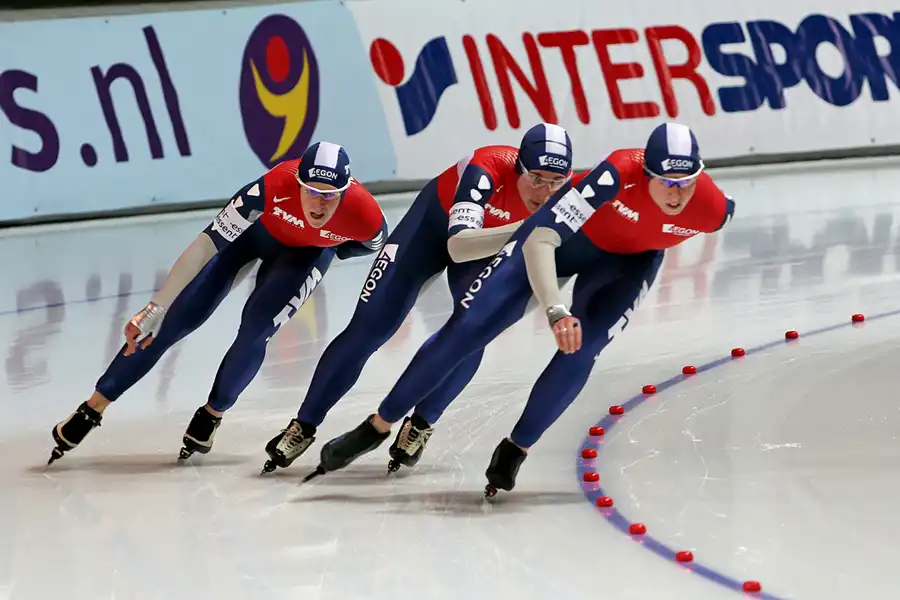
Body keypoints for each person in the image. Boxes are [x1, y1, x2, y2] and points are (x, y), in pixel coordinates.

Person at [307, 122, 736, 496]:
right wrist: (554, 309)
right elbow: (542, 238)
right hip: (556, 245)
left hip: (630, 265)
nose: (677, 195)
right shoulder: (613, 175)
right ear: (645, 174)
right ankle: (377, 426)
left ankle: (517, 447)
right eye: (665, 182)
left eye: (686, 183)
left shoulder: (713, 209)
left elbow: (718, 210)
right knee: (470, 324)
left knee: (582, 349)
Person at [261, 123, 574, 474]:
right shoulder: (485, 170)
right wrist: (525, 229)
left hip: (489, 246)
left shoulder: (572, 195)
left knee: (473, 330)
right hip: (433, 230)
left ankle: (422, 423)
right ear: (518, 167)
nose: (545, 192)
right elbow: (458, 246)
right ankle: (304, 424)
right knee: (370, 326)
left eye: (556, 182)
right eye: (536, 178)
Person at [47, 142, 388, 465]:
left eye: (329, 196)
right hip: (252, 236)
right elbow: (205, 245)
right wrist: (155, 308)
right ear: (297, 182)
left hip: (303, 257)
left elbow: (368, 245)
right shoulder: (271, 187)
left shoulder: (365, 216)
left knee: (257, 329)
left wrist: (331, 247)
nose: (318, 204)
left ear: (344, 192)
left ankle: (213, 413)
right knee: (174, 319)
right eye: (312, 191)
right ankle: (93, 407)